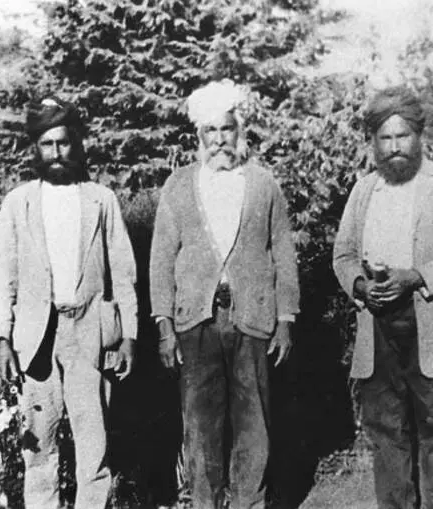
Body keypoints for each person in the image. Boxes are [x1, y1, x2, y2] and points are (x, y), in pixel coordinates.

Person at [149, 79, 300, 509]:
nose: (219, 140)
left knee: (255, 423)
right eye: (210, 132)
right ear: (199, 137)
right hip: (195, 323)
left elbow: (284, 254)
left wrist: (286, 320)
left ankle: (249, 502)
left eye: (226, 130)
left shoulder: (263, 184)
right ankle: (203, 503)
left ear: (240, 132)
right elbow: (161, 259)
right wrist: (164, 325)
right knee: (199, 426)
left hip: (252, 318)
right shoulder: (178, 186)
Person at [333, 86, 433, 509]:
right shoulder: (365, 191)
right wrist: (361, 287)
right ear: (374, 143)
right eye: (385, 138)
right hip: (378, 325)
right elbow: (342, 254)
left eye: (403, 136)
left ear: (419, 136)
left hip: (430, 320)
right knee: (386, 432)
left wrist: (416, 276)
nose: (395, 147)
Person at [0, 96, 138, 509]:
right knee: (39, 446)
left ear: (76, 145)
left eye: (64, 143)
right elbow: (3, 275)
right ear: (36, 149)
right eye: (47, 144)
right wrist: (0, 338)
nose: (56, 153)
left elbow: (124, 273)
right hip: (37, 338)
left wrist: (129, 337)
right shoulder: (19, 203)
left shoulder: (100, 200)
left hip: (89, 334)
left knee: (94, 445)